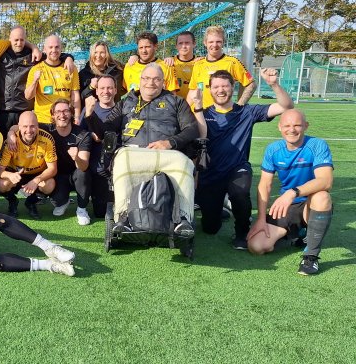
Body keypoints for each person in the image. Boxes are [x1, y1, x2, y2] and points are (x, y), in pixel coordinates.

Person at [193, 69, 293, 249]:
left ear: (233, 87)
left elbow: (286, 107)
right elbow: (199, 136)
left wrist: (274, 85)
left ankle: (241, 232)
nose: (221, 90)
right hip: (211, 174)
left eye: (225, 85)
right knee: (210, 228)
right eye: (216, 86)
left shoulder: (247, 111)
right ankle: (220, 207)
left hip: (237, 168)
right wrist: (197, 107)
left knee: (239, 192)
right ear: (210, 89)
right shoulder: (204, 114)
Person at [103, 64, 198, 232]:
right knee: (122, 158)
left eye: (156, 79)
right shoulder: (125, 103)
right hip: (133, 154)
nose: (150, 83)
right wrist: (89, 112)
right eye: (146, 78)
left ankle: (183, 219)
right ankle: (123, 218)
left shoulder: (176, 102)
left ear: (163, 82)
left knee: (184, 163)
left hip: (167, 154)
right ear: (140, 81)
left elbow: (191, 129)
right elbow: (106, 127)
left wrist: (170, 143)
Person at [246, 110, 334, 275]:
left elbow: (326, 181)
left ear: (305, 126)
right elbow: (265, 184)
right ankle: (299, 234)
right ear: (279, 127)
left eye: (297, 125)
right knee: (256, 247)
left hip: (310, 202)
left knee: (322, 196)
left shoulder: (317, 145)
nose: (292, 130)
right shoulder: (273, 150)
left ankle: (310, 257)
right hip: (288, 206)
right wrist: (261, 219)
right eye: (287, 125)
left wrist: (293, 192)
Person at [0, 111, 57, 220]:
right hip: (16, 173)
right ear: (19, 127)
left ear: (38, 126)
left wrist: (36, 180)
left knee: (50, 185)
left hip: (36, 174)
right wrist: (9, 175)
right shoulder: (11, 142)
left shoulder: (47, 139)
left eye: (32, 126)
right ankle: (12, 201)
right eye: (25, 126)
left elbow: (53, 169)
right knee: (2, 184)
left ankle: (31, 202)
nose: (29, 131)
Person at [44, 99, 91, 225]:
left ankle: (81, 209)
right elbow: (20, 125)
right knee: (56, 199)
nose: (62, 115)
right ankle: (63, 201)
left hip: (76, 174)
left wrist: (76, 157)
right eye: (58, 111)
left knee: (82, 173)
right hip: (58, 175)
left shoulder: (82, 134)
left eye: (65, 111)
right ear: (53, 115)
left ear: (71, 113)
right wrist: (11, 132)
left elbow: (84, 166)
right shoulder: (47, 130)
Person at [189, 25, 255, 108]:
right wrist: (184, 112)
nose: (215, 45)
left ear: (223, 42)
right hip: (199, 115)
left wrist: (239, 105)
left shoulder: (232, 62)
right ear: (205, 43)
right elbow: (192, 90)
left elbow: (251, 84)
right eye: (211, 42)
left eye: (218, 41)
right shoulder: (198, 64)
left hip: (223, 116)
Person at [83, 75, 118, 219]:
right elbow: (79, 133)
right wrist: (90, 134)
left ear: (116, 90)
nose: (106, 91)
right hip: (97, 169)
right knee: (100, 212)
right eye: (102, 88)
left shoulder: (123, 110)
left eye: (110, 88)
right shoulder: (89, 110)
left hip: (117, 168)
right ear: (96, 91)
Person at [25, 35, 81, 125]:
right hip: (43, 121)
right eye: (50, 47)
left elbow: (75, 95)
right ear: (44, 49)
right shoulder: (36, 69)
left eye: (57, 47)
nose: (54, 50)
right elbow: (28, 96)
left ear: (61, 48)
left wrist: (77, 117)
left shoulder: (71, 68)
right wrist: (35, 81)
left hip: (64, 120)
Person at [78, 40, 124, 105]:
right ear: (91, 54)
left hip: (115, 111)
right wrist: (90, 87)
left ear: (107, 54)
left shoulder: (117, 69)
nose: (98, 56)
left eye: (102, 52)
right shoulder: (83, 74)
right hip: (94, 113)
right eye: (95, 52)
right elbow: (80, 97)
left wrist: (135, 57)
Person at [172, 31, 200, 100]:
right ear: (176, 46)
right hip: (176, 107)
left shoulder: (201, 62)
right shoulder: (169, 63)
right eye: (180, 43)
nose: (183, 46)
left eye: (187, 43)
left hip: (196, 105)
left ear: (194, 44)